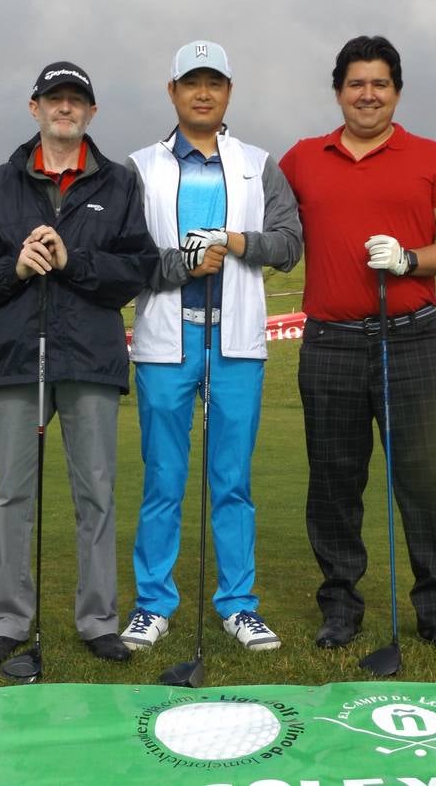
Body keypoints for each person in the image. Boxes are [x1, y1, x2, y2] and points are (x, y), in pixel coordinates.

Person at [278, 35, 436, 656]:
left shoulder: (431, 156)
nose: (368, 94)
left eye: (380, 84)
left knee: (425, 477)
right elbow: (272, 228)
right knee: (335, 481)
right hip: (331, 342)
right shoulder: (301, 159)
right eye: (356, 83)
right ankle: (340, 609)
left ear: (396, 90)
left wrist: (412, 258)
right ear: (338, 90)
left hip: (411, 339)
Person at [0, 61, 158, 667]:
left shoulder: (118, 183)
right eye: (54, 99)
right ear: (34, 108)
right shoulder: (0, 183)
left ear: (91, 112)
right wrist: (14, 268)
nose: (64, 108)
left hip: (90, 360)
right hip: (19, 357)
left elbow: (135, 270)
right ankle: (10, 623)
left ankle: (98, 622)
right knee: (13, 494)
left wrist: (73, 261)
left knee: (95, 493)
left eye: (76, 100)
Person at [120, 41, 302, 654]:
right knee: (164, 478)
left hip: (237, 339)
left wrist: (235, 241)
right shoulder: (138, 168)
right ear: (171, 92)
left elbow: (288, 243)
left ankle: (238, 604)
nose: (203, 92)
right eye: (191, 82)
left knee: (232, 478)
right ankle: (152, 604)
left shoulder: (258, 164)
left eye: (214, 82)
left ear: (229, 91)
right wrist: (182, 263)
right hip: (167, 341)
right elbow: (127, 260)